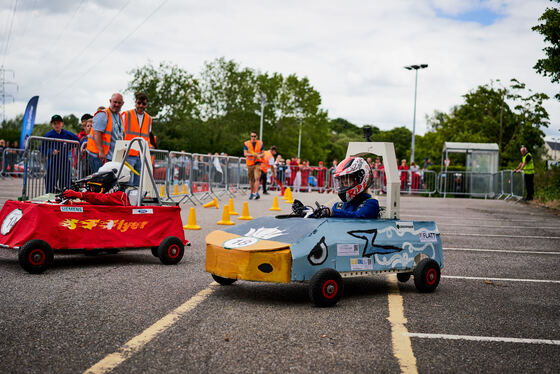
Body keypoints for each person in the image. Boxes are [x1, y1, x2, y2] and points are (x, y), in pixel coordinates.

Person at [312, 156, 379, 219]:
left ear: (360, 180)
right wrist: (309, 212)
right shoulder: (338, 206)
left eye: (346, 183)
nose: (343, 186)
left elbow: (358, 216)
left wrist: (331, 212)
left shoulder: (371, 204)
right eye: (341, 183)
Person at [61, 161, 132, 206]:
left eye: (95, 187)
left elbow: (102, 199)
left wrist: (80, 195)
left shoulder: (121, 196)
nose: (93, 189)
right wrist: (72, 204)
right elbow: (93, 205)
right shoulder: (104, 198)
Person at [86, 93, 125, 173]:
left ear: (122, 103)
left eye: (119, 103)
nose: (117, 104)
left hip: (110, 157)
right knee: (99, 182)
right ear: (110, 101)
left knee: (107, 183)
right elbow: (97, 133)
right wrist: (101, 151)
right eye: (115, 102)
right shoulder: (103, 114)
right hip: (99, 156)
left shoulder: (119, 116)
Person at [42, 115, 80, 193]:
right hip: (52, 163)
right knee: (50, 183)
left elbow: (77, 141)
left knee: (66, 184)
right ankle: (50, 200)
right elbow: (42, 148)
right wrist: (51, 151)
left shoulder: (68, 134)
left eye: (58, 123)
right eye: (54, 123)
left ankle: (65, 199)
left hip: (64, 162)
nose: (56, 125)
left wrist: (71, 146)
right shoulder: (48, 135)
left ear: (62, 124)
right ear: (52, 125)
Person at [122, 92, 153, 186]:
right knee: (128, 181)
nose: (141, 106)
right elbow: (120, 134)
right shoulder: (126, 115)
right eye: (139, 103)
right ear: (135, 103)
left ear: (147, 105)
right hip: (128, 154)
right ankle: (127, 200)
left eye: (143, 104)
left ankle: (135, 200)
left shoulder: (149, 119)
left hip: (141, 155)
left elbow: (147, 137)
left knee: (138, 183)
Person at [243, 131, 264, 200]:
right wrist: (253, 154)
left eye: (254, 136)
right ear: (250, 137)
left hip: (257, 163)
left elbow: (263, 154)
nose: (253, 137)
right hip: (250, 164)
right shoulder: (246, 143)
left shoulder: (260, 143)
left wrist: (259, 155)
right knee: (251, 180)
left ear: (257, 137)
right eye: (252, 136)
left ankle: (256, 192)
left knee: (257, 178)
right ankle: (252, 193)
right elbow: (245, 154)